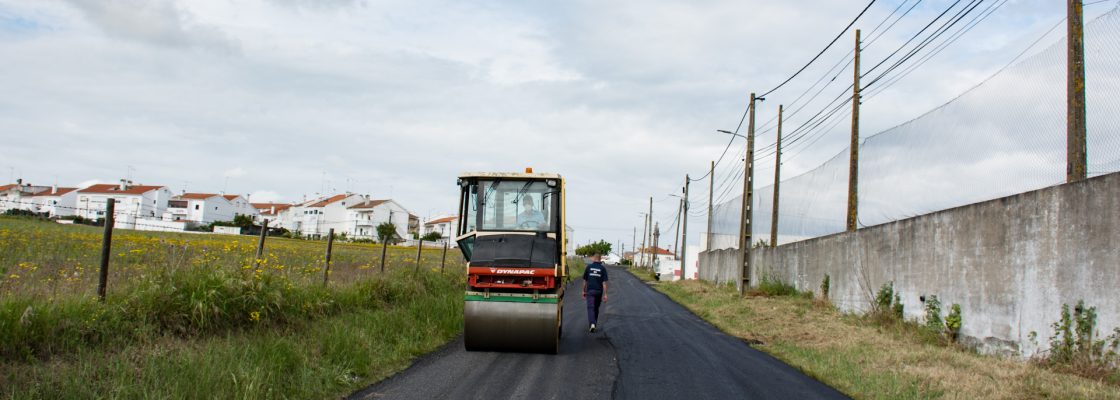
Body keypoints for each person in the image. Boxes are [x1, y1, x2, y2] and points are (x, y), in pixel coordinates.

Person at [582, 253, 609, 333]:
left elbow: (585, 281)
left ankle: (592, 323)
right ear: (600, 259)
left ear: (594, 258)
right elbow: (604, 283)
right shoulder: (602, 268)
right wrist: (605, 294)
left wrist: (583, 290)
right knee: (596, 308)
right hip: (598, 291)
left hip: (590, 291)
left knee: (590, 307)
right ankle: (594, 323)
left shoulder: (589, 267)